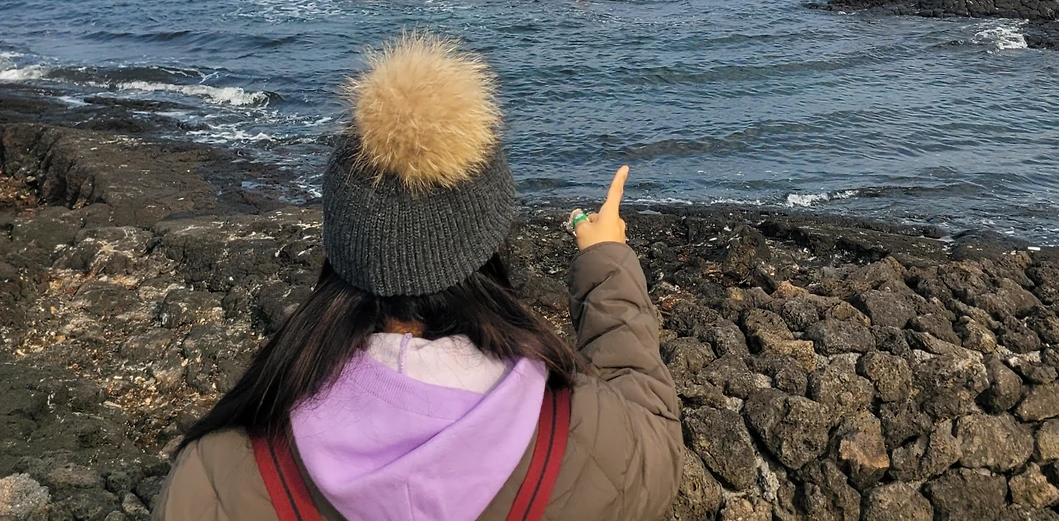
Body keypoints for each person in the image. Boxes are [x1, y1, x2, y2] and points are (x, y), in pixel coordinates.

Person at [154, 33, 682, 521]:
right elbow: (653, 430)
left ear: (341, 249)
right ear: (491, 244)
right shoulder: (586, 437)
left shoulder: (217, 471)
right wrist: (607, 259)